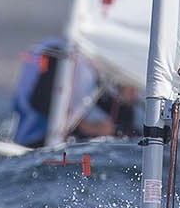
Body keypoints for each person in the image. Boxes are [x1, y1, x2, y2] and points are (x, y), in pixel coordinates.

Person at [11, 39, 141, 149]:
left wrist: (125, 101)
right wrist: (86, 127)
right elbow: (39, 101)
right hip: (35, 143)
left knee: (134, 135)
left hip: (63, 141)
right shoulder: (58, 53)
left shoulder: (91, 64)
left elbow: (114, 111)